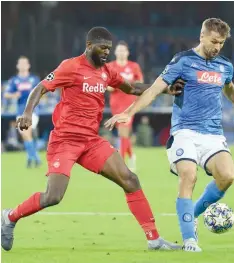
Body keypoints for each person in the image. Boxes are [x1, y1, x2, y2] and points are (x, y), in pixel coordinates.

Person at [1, 27, 185, 252]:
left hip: (90, 141)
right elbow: (40, 87)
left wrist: (166, 89)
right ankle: (9, 216)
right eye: (102, 48)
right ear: (89, 46)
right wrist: (28, 112)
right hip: (65, 141)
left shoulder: (106, 71)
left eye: (108, 48)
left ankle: (154, 239)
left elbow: (134, 87)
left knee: (130, 179)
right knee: (53, 196)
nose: (106, 52)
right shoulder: (71, 66)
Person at [105, 18, 234, 252]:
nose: (217, 47)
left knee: (227, 176)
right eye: (214, 42)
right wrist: (129, 112)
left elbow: (230, 88)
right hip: (184, 131)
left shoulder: (224, 66)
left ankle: (193, 214)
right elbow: (155, 89)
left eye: (221, 43)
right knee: (188, 175)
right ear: (202, 36)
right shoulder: (183, 61)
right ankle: (190, 239)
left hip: (213, 134)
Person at [107, 41, 144, 171]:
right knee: (123, 134)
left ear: (127, 52)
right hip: (116, 103)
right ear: (115, 52)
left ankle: (121, 163)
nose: (122, 53)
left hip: (130, 103)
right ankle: (132, 155)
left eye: (124, 50)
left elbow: (139, 83)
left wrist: (128, 85)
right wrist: (117, 85)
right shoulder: (110, 66)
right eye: (119, 50)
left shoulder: (134, 66)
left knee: (123, 131)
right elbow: (108, 87)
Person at [4, 56, 41, 167]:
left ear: (28, 65)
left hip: (32, 111)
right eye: (21, 63)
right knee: (25, 135)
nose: (23, 65)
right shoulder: (14, 80)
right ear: (18, 66)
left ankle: (33, 158)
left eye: (25, 63)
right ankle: (34, 157)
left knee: (26, 132)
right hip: (20, 111)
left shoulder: (34, 79)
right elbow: (6, 94)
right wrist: (14, 94)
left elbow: (41, 91)